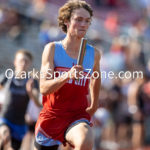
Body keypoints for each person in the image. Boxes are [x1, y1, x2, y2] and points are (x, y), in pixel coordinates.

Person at [34, 0, 101, 150]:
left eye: (87, 21)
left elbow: (96, 78)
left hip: (77, 115)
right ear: (66, 21)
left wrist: (94, 103)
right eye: (78, 19)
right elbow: (44, 88)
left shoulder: (93, 54)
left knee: (85, 139)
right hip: (52, 117)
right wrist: (67, 75)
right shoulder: (52, 49)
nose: (83, 24)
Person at [0, 50, 40, 150]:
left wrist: (30, 92)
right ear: (15, 62)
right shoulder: (7, 77)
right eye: (21, 60)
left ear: (29, 64)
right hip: (6, 118)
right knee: (4, 137)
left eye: (26, 61)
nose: (23, 63)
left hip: (20, 124)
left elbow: (38, 103)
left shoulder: (32, 81)